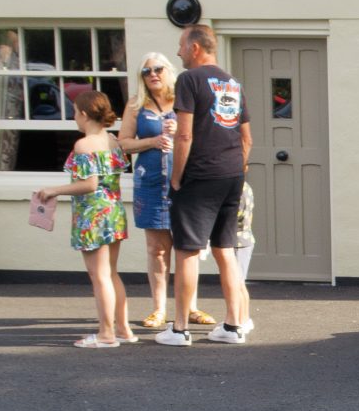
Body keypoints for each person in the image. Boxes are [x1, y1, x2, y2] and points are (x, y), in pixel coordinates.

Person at [157, 24, 253, 345]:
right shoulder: (233, 83)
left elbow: (184, 135)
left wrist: (176, 177)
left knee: (186, 250)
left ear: (195, 47)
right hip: (232, 175)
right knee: (225, 249)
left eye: (181, 45)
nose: (178, 52)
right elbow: (247, 139)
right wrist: (236, 168)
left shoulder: (189, 79)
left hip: (199, 174)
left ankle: (179, 329)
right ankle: (233, 326)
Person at [117, 52, 197, 331]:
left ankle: (190, 307)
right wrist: (152, 141)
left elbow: (201, 138)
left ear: (168, 71)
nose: (152, 74)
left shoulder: (184, 100)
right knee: (157, 249)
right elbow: (124, 143)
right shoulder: (136, 105)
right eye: (146, 71)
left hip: (183, 180)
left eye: (158, 69)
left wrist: (180, 132)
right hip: (150, 182)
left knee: (187, 246)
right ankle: (159, 308)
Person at [47, 89, 131, 347]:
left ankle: (106, 334)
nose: (74, 117)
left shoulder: (84, 145)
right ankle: (123, 329)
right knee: (112, 273)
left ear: (84, 114)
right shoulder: (113, 140)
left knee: (99, 276)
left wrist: (53, 191)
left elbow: (89, 184)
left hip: (93, 215)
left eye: (74, 112)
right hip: (114, 211)